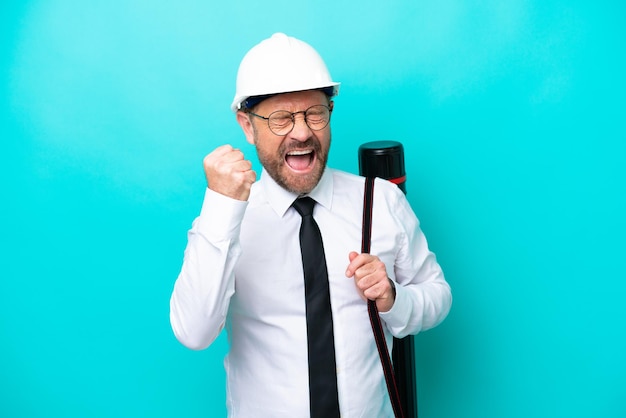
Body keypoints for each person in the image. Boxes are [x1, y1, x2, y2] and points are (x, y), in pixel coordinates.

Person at [170, 32, 452, 417]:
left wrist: (392, 298)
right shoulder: (228, 218)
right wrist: (220, 206)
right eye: (282, 118)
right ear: (247, 126)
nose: (302, 132)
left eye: (314, 114)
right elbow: (194, 332)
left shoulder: (380, 200)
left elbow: (437, 296)